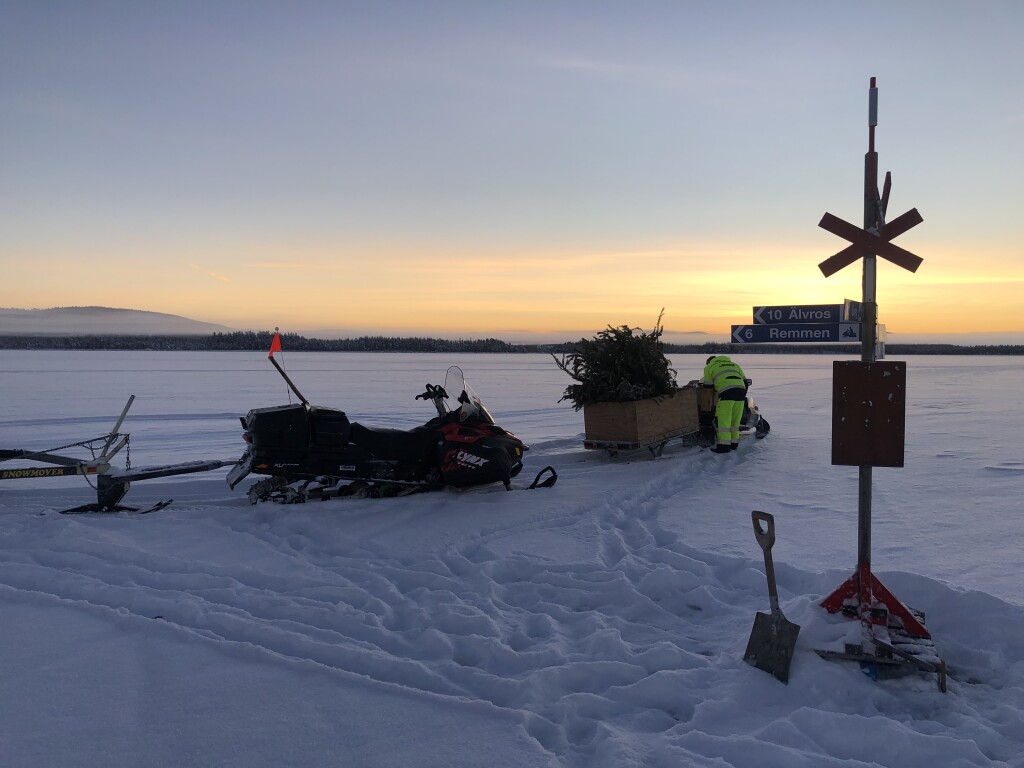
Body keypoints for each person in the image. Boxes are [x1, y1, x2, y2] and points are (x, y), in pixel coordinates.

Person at [702, 355, 748, 453]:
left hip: (726, 393)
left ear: (709, 362)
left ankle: (724, 446)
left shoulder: (709, 367)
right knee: (735, 420)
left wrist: (708, 402)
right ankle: (734, 443)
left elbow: (708, 387)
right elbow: (745, 382)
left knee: (724, 420)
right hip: (741, 391)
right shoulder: (734, 365)